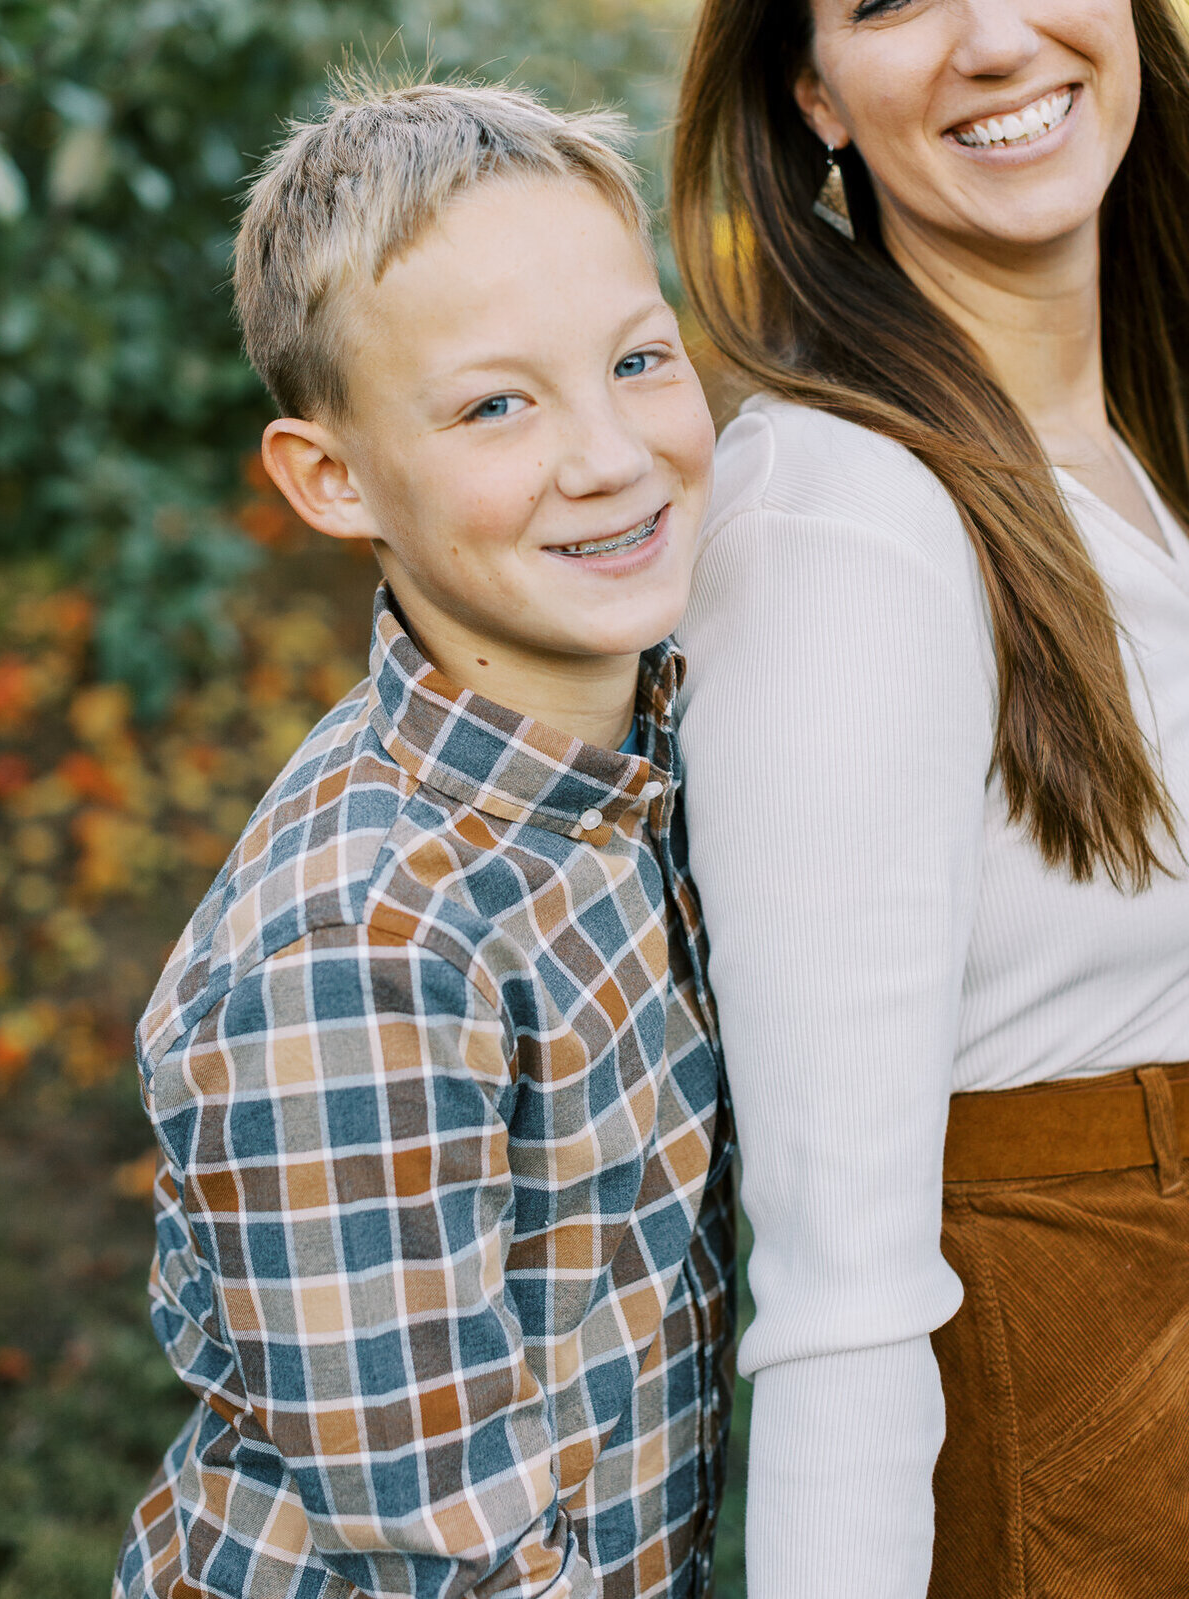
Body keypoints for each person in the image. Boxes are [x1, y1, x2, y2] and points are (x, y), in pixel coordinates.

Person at [113, 76, 734, 1599]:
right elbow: (444, 1550)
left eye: (639, 361)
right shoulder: (366, 948)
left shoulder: (644, 750)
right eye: (494, 404)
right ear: (332, 480)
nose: (609, 454)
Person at [670, 0, 1189, 1594]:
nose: (992, 37)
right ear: (813, 90)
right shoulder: (839, 516)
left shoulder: (1138, 448)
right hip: (1067, 1441)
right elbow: (839, 1282)